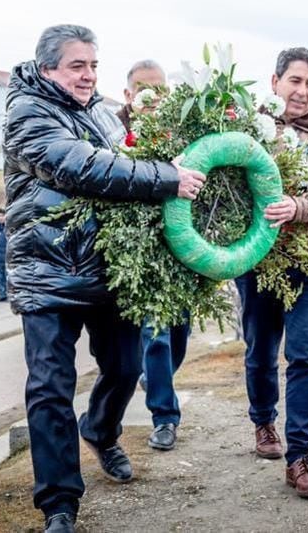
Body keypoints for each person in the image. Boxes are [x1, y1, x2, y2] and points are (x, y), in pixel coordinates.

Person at [4, 24, 206, 533]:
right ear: (48, 67)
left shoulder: (99, 110)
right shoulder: (27, 111)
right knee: (50, 388)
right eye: (77, 66)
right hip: (46, 272)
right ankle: (59, 505)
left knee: (125, 366)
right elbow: (81, 167)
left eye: (93, 65)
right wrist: (168, 178)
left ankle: (99, 428)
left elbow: (129, 157)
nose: (89, 75)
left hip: (105, 269)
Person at [234, 46, 308, 499]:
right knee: (260, 352)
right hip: (258, 263)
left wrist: (299, 207)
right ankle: (264, 421)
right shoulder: (249, 128)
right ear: (275, 82)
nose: (302, 91)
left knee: (304, 356)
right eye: (295, 81)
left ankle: (300, 459)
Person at [117, 59, 192, 451]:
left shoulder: (181, 132)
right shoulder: (113, 133)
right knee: (156, 334)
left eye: (160, 89)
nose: (154, 97)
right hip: (135, 253)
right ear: (130, 95)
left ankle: (154, 375)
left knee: (179, 333)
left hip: (179, 250)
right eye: (145, 89)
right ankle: (165, 417)